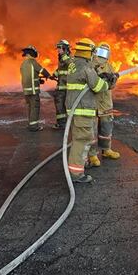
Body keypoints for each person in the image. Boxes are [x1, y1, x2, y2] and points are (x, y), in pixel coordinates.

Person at [64, 38, 109, 184]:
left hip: (75, 110)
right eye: (92, 52)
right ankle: (76, 174)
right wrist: (109, 81)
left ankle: (80, 165)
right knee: (81, 141)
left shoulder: (73, 64)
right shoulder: (85, 68)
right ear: (88, 52)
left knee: (80, 139)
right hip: (82, 111)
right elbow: (98, 87)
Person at [88, 42, 120, 166]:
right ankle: (92, 155)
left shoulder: (109, 66)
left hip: (106, 103)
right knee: (92, 130)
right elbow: (90, 84)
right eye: (101, 52)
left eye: (106, 52)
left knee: (106, 128)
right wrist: (99, 77)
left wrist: (113, 79)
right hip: (93, 102)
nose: (103, 55)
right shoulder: (90, 65)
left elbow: (112, 86)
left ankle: (106, 150)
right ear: (96, 52)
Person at [20, 45, 51, 131]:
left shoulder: (23, 64)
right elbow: (42, 70)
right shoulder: (32, 62)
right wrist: (49, 76)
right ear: (32, 53)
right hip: (33, 91)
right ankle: (33, 127)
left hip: (26, 91)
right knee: (35, 107)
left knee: (30, 107)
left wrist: (38, 80)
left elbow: (30, 76)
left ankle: (30, 124)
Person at [51, 39, 72, 130]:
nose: (58, 50)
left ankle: (62, 124)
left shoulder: (68, 58)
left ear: (65, 48)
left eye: (60, 48)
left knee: (61, 106)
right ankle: (63, 123)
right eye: (58, 48)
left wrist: (64, 57)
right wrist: (54, 75)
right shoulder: (62, 58)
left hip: (65, 87)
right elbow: (60, 69)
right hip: (61, 86)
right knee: (60, 106)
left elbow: (71, 65)